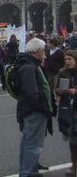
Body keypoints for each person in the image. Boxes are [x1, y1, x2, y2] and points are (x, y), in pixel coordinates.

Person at [16, 38, 55, 177]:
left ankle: (26, 171)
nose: (44, 53)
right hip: (34, 111)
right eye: (43, 50)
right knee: (33, 144)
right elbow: (31, 93)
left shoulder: (28, 63)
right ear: (38, 51)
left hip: (29, 109)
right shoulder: (29, 67)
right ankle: (28, 172)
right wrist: (42, 107)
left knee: (28, 142)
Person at [54, 50, 77, 176]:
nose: (67, 62)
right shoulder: (63, 72)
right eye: (65, 59)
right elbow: (57, 88)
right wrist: (61, 91)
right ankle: (74, 165)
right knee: (73, 140)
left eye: (70, 59)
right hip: (69, 108)